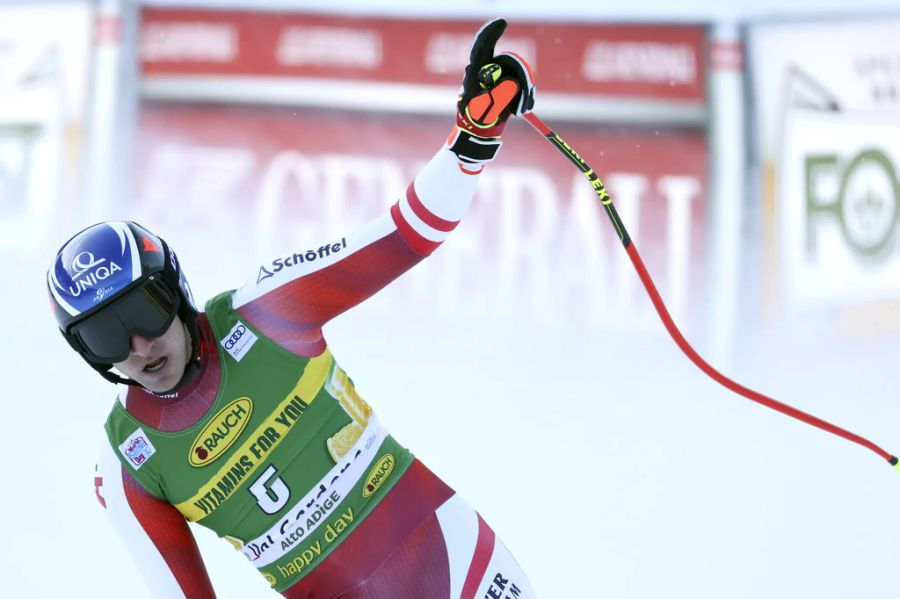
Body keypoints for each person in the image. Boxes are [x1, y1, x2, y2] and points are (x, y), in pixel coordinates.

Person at [47, 18, 537, 599]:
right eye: (106, 337)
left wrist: (473, 139)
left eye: (145, 314)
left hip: (454, 563)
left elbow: (407, 234)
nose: (139, 347)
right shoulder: (126, 464)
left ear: (175, 291)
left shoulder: (266, 311)